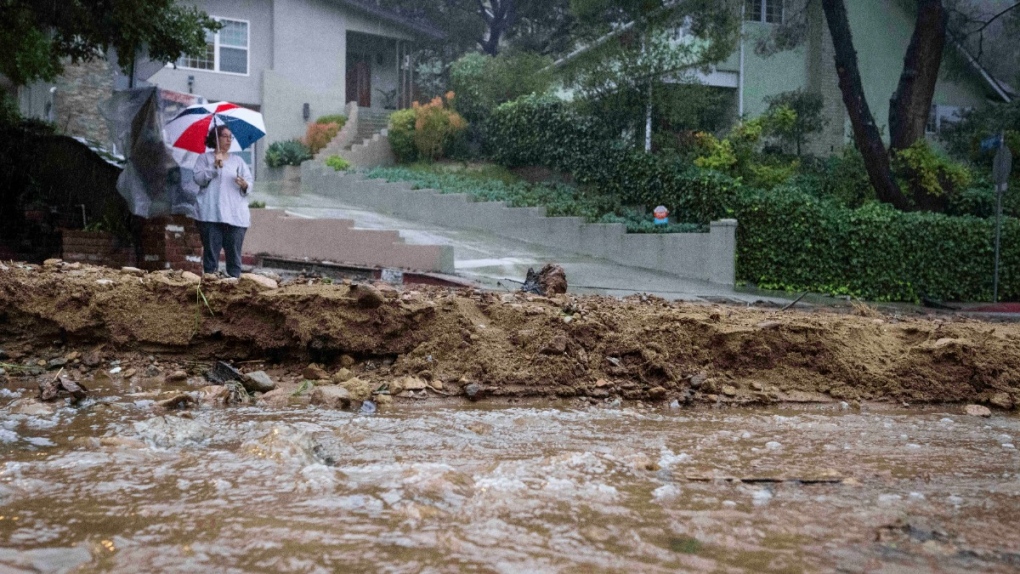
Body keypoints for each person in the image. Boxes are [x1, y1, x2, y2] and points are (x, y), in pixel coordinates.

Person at [193, 125, 252, 278]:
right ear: (215, 138)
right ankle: (210, 290)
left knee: (234, 258)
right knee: (211, 258)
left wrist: (245, 184)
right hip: (210, 215)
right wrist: (214, 166)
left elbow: (249, 182)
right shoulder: (204, 158)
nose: (228, 140)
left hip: (235, 216)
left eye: (230, 137)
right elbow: (198, 179)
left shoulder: (237, 161)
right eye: (224, 136)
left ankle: (235, 292)